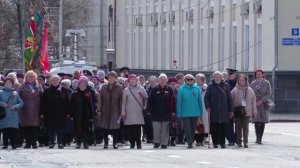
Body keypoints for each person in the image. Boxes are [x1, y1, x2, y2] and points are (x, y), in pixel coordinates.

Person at [204, 71, 234, 149]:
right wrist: (208, 106)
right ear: (213, 78)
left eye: (219, 77)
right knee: (214, 128)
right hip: (214, 110)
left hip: (224, 111)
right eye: (216, 77)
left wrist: (231, 110)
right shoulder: (210, 86)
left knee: (223, 128)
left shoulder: (226, 86)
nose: (218, 78)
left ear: (222, 78)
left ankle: (222, 143)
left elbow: (229, 99)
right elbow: (206, 98)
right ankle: (215, 143)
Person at [40, 75, 69, 149]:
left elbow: (67, 102)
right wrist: (42, 113)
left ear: (59, 81)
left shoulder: (64, 90)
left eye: (56, 80)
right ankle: (51, 142)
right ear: (50, 81)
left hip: (61, 113)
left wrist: (68, 112)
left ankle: (60, 143)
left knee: (60, 129)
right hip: (49, 113)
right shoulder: (47, 91)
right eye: (53, 80)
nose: (55, 81)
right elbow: (42, 103)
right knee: (51, 128)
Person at [147, 74, 175, 149]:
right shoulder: (155, 89)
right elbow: (150, 100)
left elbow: (172, 101)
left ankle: (164, 143)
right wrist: (149, 110)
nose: (162, 81)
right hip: (155, 113)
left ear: (166, 81)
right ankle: (156, 142)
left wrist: (173, 111)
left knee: (165, 129)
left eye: (164, 79)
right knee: (156, 128)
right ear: (158, 81)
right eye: (161, 79)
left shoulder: (169, 89)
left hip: (166, 113)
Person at [18, 70, 43, 149]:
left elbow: (43, 97)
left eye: (32, 76)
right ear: (26, 77)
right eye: (29, 76)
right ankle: (28, 143)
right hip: (25, 110)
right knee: (27, 127)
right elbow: (17, 97)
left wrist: (41, 90)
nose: (30, 78)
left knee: (35, 127)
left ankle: (34, 143)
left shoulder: (38, 86)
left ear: (35, 77)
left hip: (36, 110)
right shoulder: (21, 87)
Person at [121, 74, 148, 149]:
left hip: (138, 112)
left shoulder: (141, 89)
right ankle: (132, 143)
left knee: (138, 129)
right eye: (131, 80)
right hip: (129, 112)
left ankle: (139, 143)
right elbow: (123, 102)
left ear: (136, 80)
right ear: (129, 81)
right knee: (130, 129)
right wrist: (123, 111)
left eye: (134, 79)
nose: (132, 81)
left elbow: (146, 98)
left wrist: (145, 106)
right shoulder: (126, 90)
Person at [177, 74, 203, 149]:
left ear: (194, 80)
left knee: (193, 128)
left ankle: (191, 141)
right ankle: (190, 142)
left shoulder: (197, 88)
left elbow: (199, 101)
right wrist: (179, 113)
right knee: (187, 128)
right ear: (185, 80)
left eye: (191, 79)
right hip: (185, 113)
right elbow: (179, 102)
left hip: (195, 113)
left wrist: (201, 113)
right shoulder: (182, 89)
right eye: (188, 79)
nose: (190, 81)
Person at [231, 74, 257, 148]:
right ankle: (239, 142)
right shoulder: (235, 90)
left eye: (243, 80)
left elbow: (253, 101)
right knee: (238, 127)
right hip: (238, 111)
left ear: (245, 81)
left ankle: (246, 142)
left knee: (246, 127)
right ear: (238, 81)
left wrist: (254, 111)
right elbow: (231, 100)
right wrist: (231, 111)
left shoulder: (250, 90)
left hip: (247, 111)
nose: (241, 81)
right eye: (240, 80)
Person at [99, 71, 123, 149]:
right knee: (105, 128)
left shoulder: (119, 87)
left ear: (116, 79)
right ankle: (106, 143)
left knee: (115, 128)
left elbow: (121, 100)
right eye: (109, 77)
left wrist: (121, 111)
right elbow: (100, 99)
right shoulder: (103, 87)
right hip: (105, 110)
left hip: (115, 110)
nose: (110, 79)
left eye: (112, 77)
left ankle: (114, 143)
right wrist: (99, 109)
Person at [69, 76, 94, 149]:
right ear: (78, 85)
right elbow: (71, 106)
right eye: (81, 84)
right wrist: (71, 115)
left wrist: (92, 116)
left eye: (84, 85)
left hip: (86, 115)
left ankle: (85, 142)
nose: (82, 86)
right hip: (77, 115)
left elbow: (90, 106)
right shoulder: (74, 94)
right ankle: (78, 142)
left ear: (86, 86)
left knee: (86, 129)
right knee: (78, 129)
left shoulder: (88, 94)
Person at [0, 77, 24, 149]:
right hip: (4, 114)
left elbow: (21, 103)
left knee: (13, 130)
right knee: (5, 130)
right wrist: (2, 104)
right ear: (4, 84)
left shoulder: (15, 93)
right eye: (6, 83)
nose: (8, 84)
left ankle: (14, 144)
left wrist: (16, 106)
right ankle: (5, 144)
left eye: (9, 83)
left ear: (12, 84)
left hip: (14, 115)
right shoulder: (0, 92)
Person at [250, 69, 272, 144]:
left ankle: (260, 138)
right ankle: (257, 137)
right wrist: (254, 101)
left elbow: (268, 94)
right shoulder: (253, 83)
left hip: (264, 104)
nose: (258, 75)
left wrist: (262, 101)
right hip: (255, 103)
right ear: (255, 75)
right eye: (257, 74)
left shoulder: (266, 83)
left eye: (260, 74)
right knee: (256, 121)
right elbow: (250, 93)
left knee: (262, 121)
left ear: (262, 74)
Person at [225, 68, 238, 146]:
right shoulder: (225, 83)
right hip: (229, 107)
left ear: (235, 75)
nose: (229, 75)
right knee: (229, 124)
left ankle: (237, 138)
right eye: (228, 74)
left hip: (238, 106)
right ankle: (230, 139)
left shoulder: (239, 83)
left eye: (230, 74)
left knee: (238, 124)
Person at [195, 73, 209, 145]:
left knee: (205, 123)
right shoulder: (194, 87)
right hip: (196, 108)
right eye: (196, 79)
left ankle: (205, 138)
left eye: (198, 79)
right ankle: (198, 140)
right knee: (197, 123)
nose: (197, 81)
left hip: (205, 108)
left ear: (203, 80)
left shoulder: (206, 88)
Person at [143, 75, 157, 143]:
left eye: (154, 81)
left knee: (155, 126)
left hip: (157, 111)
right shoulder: (146, 90)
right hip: (148, 111)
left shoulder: (158, 89)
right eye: (151, 81)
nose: (152, 83)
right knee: (148, 125)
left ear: (156, 82)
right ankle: (149, 138)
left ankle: (155, 138)